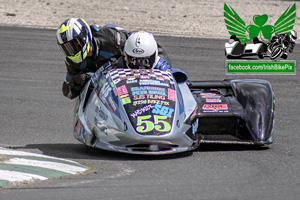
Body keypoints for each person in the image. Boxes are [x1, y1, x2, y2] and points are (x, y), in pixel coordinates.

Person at [56, 18, 129, 99]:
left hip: (124, 85)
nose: (72, 50)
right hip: (101, 99)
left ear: (84, 36)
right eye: (68, 48)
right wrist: (77, 80)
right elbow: (67, 92)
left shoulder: (112, 39)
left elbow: (136, 45)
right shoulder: (72, 62)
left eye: (75, 44)